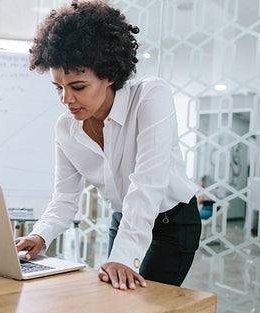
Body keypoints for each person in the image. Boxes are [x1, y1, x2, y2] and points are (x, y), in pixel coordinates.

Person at [15, 0, 201, 291]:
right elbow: (65, 198)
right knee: (116, 303)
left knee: (142, 311)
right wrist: (40, 236)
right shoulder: (65, 127)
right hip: (124, 218)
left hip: (171, 223)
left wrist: (124, 256)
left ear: (110, 75)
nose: (66, 99)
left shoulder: (150, 97)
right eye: (59, 88)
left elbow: (147, 184)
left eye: (78, 87)